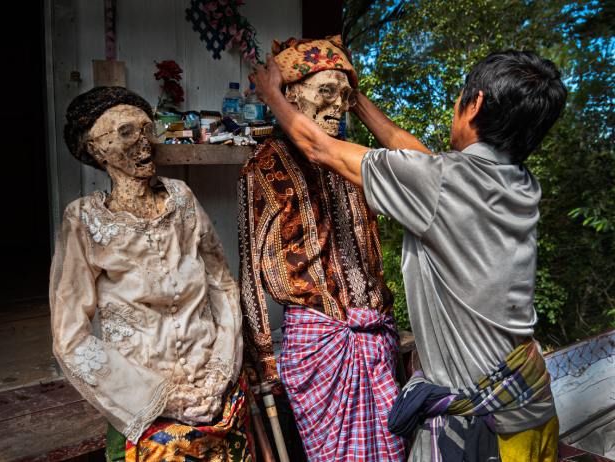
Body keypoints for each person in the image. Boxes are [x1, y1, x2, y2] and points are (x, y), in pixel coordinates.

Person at [252, 49, 567, 461]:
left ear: (475, 104)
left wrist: (271, 93)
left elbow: (320, 148)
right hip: (533, 408)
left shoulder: (441, 184)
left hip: (486, 433)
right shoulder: (517, 183)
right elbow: (420, 160)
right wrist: (356, 100)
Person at [51, 86, 252, 461]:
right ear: (95, 149)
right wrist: (162, 398)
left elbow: (222, 285)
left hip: (216, 392)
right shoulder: (83, 220)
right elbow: (70, 338)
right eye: (127, 132)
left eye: (148, 129)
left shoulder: (182, 199)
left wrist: (221, 371)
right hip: (145, 406)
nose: (145, 142)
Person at [239, 36, 404, 461]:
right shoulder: (266, 162)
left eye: (346, 96)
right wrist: (262, 355)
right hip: (320, 344)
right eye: (326, 91)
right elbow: (250, 267)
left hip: (375, 337)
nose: (338, 105)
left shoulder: (354, 161)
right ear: (292, 94)